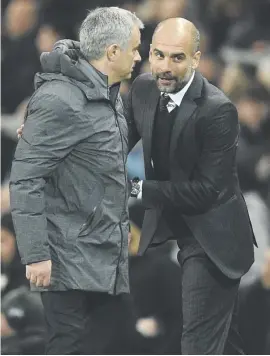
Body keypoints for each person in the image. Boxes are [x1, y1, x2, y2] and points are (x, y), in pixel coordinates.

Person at [9, 7, 143, 355]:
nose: (139, 56)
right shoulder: (59, 99)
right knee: (68, 348)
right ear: (113, 52)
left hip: (103, 253)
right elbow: (26, 179)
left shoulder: (110, 96)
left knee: (121, 344)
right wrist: (36, 254)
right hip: (66, 257)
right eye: (135, 48)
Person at [128, 18, 257, 354]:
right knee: (224, 346)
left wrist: (138, 190)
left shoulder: (218, 110)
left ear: (197, 59)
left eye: (177, 58)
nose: (165, 67)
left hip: (214, 239)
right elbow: (114, 142)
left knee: (198, 346)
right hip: (177, 229)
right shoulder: (143, 89)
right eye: (159, 55)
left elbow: (206, 191)